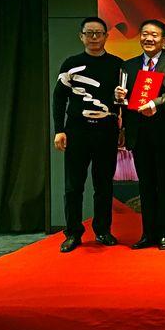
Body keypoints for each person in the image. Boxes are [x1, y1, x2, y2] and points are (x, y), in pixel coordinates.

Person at [52, 17, 122, 253]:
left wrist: (122, 128)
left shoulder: (117, 65)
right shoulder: (70, 64)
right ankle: (73, 233)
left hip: (106, 131)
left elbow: (122, 101)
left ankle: (102, 230)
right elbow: (59, 98)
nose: (94, 37)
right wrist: (59, 130)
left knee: (104, 185)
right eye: (89, 33)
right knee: (73, 186)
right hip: (77, 132)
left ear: (106, 36)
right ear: (81, 36)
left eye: (98, 33)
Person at [115, 20, 165, 250]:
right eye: (145, 34)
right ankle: (148, 233)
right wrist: (119, 96)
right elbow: (124, 100)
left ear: (164, 40)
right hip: (138, 133)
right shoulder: (129, 65)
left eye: (154, 35)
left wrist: (155, 103)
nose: (149, 39)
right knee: (145, 185)